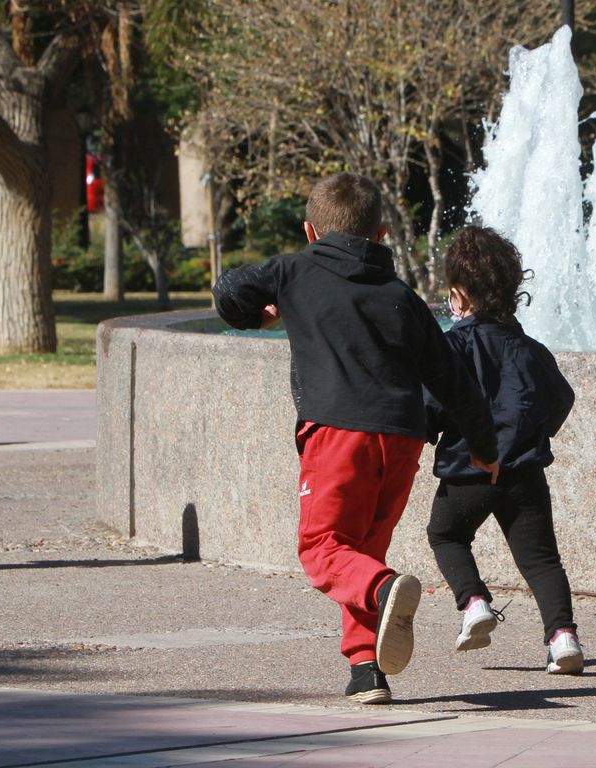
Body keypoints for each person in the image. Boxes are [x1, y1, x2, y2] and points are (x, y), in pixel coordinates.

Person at [213, 173, 499, 704]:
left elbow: (227, 292)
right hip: (403, 439)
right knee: (361, 550)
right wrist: (484, 447)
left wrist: (257, 312)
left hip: (338, 431)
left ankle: (385, 588)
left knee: (323, 549)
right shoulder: (401, 296)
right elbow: (453, 380)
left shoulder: (294, 269)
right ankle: (366, 669)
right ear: (382, 231)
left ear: (309, 229)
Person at [423, 226, 583, 675]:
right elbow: (561, 399)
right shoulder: (530, 350)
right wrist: (536, 434)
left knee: (446, 535)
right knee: (542, 560)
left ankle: (474, 603)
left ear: (456, 296)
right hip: (524, 474)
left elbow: (429, 404)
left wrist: (429, 432)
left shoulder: (449, 348)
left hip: (465, 472)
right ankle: (563, 636)